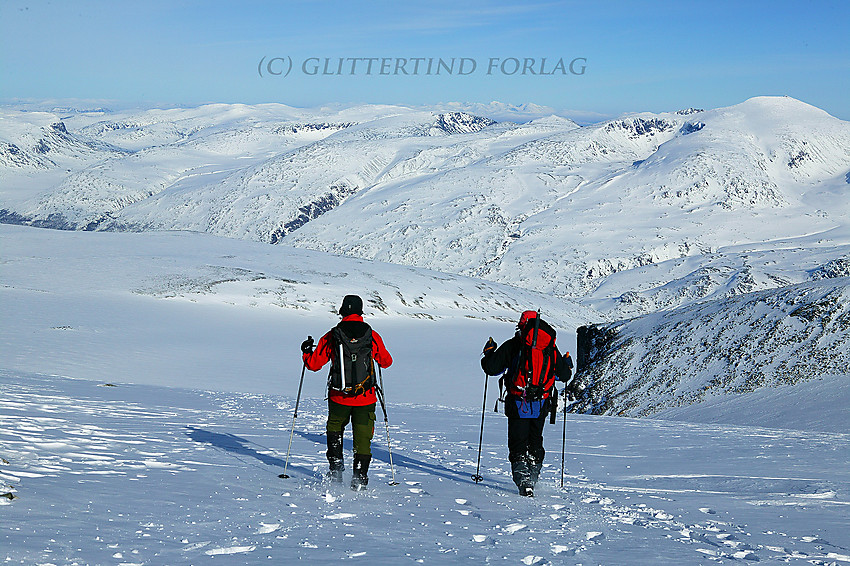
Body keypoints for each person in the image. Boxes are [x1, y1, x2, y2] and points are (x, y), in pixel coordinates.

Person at [301, 295, 393, 490]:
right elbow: (386, 361)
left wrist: (306, 352)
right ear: (360, 311)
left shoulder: (332, 335)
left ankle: (335, 472)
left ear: (342, 310)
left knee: (335, 429)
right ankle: (359, 480)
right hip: (365, 397)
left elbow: (314, 364)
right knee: (363, 438)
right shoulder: (371, 334)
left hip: (338, 396)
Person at [481, 310, 577, 496]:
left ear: (522, 324)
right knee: (535, 439)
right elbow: (564, 375)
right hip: (542, 403)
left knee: (518, 441)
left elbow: (492, 369)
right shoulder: (550, 346)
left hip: (518, 401)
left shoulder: (514, 345)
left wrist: (489, 353)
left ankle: (523, 480)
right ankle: (533, 475)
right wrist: (567, 364)